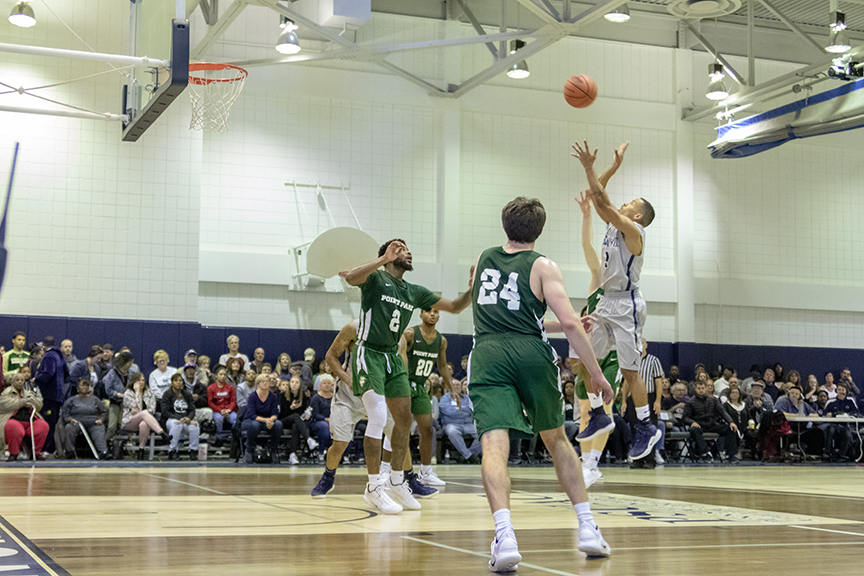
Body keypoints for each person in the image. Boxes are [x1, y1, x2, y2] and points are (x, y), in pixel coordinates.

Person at [467, 196, 615, 571]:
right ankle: (586, 528)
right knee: (556, 439)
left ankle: (505, 537)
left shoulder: (483, 259)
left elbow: (505, 313)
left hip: (488, 353)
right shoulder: (544, 265)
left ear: (505, 225)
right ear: (540, 229)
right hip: (532, 355)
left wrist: (549, 324)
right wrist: (595, 373)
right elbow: (567, 322)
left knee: (494, 445)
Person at [339, 238, 472, 514]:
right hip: (370, 353)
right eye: (400, 248)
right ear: (387, 255)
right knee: (377, 417)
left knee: (403, 421)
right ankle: (373, 486)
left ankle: (397, 481)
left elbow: (456, 306)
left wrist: (473, 289)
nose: (407, 252)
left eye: (408, 248)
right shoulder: (375, 279)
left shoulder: (414, 291)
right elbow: (351, 277)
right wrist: (381, 259)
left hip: (392, 357)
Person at [571, 140, 661, 465]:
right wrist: (608, 169)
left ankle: (646, 427)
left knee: (630, 371)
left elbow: (605, 203)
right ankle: (598, 414)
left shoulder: (634, 231)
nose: (622, 203)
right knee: (586, 361)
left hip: (627, 306)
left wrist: (588, 168)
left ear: (636, 214)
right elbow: (600, 197)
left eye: (629, 202)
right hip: (605, 304)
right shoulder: (613, 224)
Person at [311, 320, 397, 499]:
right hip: (348, 396)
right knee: (340, 443)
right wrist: (347, 378)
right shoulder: (353, 327)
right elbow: (330, 357)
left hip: (377, 392)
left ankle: (401, 478)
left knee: (397, 435)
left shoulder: (392, 328)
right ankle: (328, 477)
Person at [398, 308, 453, 487]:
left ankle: (426, 472)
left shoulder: (441, 340)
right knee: (399, 429)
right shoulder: (409, 334)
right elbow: (398, 356)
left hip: (421, 387)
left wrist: (451, 388)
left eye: (436, 311)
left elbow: (442, 366)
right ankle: (392, 470)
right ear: (421, 314)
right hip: (404, 385)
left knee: (428, 429)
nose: (432, 314)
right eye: (428, 311)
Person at [680, 380, 739, 463]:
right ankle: (705, 453)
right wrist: (692, 422)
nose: (701, 390)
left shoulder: (714, 400)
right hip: (699, 425)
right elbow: (685, 418)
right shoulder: (691, 402)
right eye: (699, 388)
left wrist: (731, 422)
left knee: (730, 429)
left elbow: (723, 412)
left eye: (702, 388)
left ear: (706, 389)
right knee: (694, 430)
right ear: (695, 389)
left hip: (712, 424)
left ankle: (731, 455)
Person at [32, 336, 70, 455]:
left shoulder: (48, 356)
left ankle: (46, 449)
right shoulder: (60, 355)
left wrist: (35, 380)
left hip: (49, 396)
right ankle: (51, 448)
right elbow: (67, 374)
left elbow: (48, 373)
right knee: (53, 423)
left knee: (47, 423)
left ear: (44, 346)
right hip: (58, 396)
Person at [0, 373, 49, 460]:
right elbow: (4, 405)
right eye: (17, 380)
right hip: (13, 418)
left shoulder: (29, 393)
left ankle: (36, 452)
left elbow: (39, 405)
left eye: (22, 380)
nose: (20, 382)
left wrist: (32, 401)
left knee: (43, 425)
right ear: (12, 381)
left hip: (30, 419)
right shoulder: (6, 393)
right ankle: (13, 453)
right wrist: (21, 402)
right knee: (14, 428)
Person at [121, 372, 169, 460]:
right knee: (143, 413)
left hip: (146, 420)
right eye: (138, 380)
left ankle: (141, 450)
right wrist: (137, 392)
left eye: (142, 380)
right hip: (129, 421)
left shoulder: (149, 392)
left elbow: (152, 409)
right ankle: (161, 433)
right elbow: (136, 408)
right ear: (133, 382)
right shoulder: (128, 393)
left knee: (144, 423)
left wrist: (142, 412)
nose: (141, 382)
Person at [59, 379, 109, 459]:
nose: (84, 387)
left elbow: (103, 411)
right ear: (77, 388)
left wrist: (101, 419)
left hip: (93, 421)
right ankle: (69, 451)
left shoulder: (95, 399)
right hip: (76, 421)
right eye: (82, 385)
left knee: (99, 428)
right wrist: (70, 419)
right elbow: (65, 413)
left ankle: (103, 452)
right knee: (69, 427)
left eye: (86, 385)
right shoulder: (71, 400)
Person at [242, 373, 282, 464]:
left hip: (267, 421)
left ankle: (273, 448)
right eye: (262, 381)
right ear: (258, 383)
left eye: (267, 381)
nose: (265, 383)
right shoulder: (252, 397)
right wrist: (266, 420)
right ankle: (249, 448)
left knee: (278, 424)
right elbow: (252, 415)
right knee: (254, 425)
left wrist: (271, 420)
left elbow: (275, 413)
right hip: (251, 420)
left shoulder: (273, 397)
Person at [160, 373, 199, 460]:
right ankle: (172, 450)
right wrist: (178, 418)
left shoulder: (187, 394)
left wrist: (188, 418)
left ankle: (193, 451)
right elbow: (165, 412)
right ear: (172, 383)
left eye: (180, 380)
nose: (178, 382)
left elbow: (192, 410)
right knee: (176, 424)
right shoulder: (167, 394)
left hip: (185, 419)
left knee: (194, 426)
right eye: (176, 381)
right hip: (171, 419)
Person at [438, 385, 481, 462]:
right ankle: (469, 456)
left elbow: (471, 410)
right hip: (451, 424)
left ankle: (469, 455)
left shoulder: (467, 398)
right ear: (449, 387)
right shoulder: (444, 399)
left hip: (467, 424)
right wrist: (462, 409)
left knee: (482, 433)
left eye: (458, 385)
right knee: (452, 431)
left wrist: (458, 409)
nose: (456, 387)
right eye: (454, 385)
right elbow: (448, 411)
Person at [279, 375, 313, 464]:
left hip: (297, 423)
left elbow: (303, 414)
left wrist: (306, 415)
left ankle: (292, 455)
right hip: (284, 421)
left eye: (296, 382)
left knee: (295, 426)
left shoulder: (303, 397)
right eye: (292, 382)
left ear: (300, 385)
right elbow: (281, 414)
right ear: (289, 384)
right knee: (295, 416)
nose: (294, 384)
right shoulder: (282, 396)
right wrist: (291, 408)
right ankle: (308, 439)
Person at [102, 351, 135, 445]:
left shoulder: (131, 373)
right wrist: (119, 394)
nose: (131, 364)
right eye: (130, 362)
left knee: (125, 426)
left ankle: (123, 447)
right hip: (115, 402)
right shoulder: (112, 373)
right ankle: (105, 445)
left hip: (127, 404)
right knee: (112, 426)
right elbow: (108, 390)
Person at [207, 370, 238, 441]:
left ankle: (234, 439)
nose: (223, 376)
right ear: (216, 376)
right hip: (217, 411)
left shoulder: (230, 388)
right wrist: (220, 411)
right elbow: (210, 403)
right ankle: (219, 439)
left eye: (224, 375)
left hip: (228, 411)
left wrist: (228, 410)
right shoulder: (210, 388)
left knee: (235, 418)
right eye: (220, 374)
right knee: (218, 419)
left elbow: (233, 401)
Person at [310, 375, 334, 461]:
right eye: (324, 383)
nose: (327, 385)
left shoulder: (334, 398)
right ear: (320, 385)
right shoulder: (316, 398)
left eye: (329, 383)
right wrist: (325, 419)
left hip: (333, 420)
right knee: (324, 426)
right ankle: (320, 452)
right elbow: (315, 414)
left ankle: (341, 455)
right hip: (318, 421)